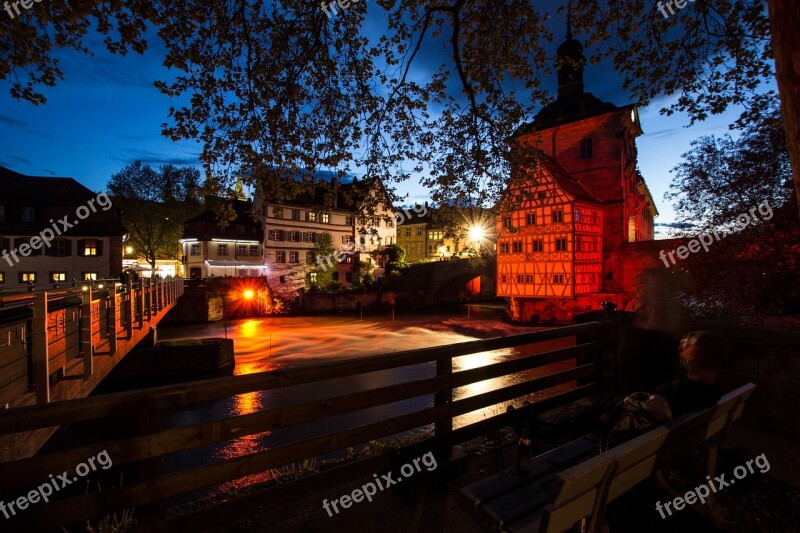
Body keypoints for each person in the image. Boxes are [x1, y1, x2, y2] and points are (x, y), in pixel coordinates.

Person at [657, 331, 722, 417]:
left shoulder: (676, 392)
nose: (682, 353)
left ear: (693, 356)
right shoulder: (713, 390)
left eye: (688, 348)